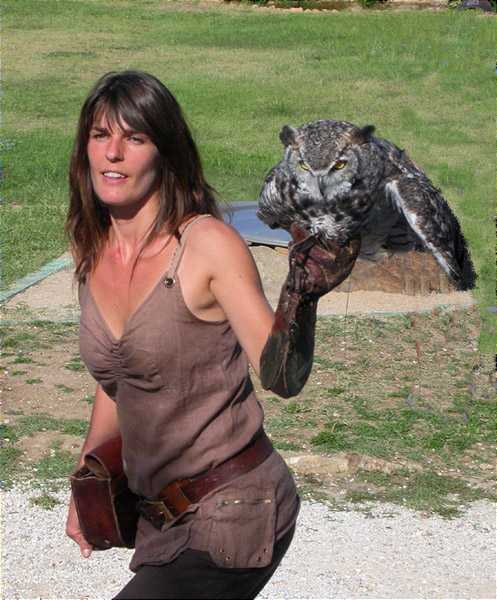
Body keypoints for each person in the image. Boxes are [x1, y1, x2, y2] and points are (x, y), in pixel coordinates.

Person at [65, 70, 359, 599]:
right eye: (100, 135)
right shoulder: (92, 250)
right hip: (163, 521)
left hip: (235, 509)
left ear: (164, 151)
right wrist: (87, 479)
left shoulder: (207, 246)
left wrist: (301, 296)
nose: (113, 154)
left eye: (135, 138)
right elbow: (116, 376)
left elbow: (282, 376)